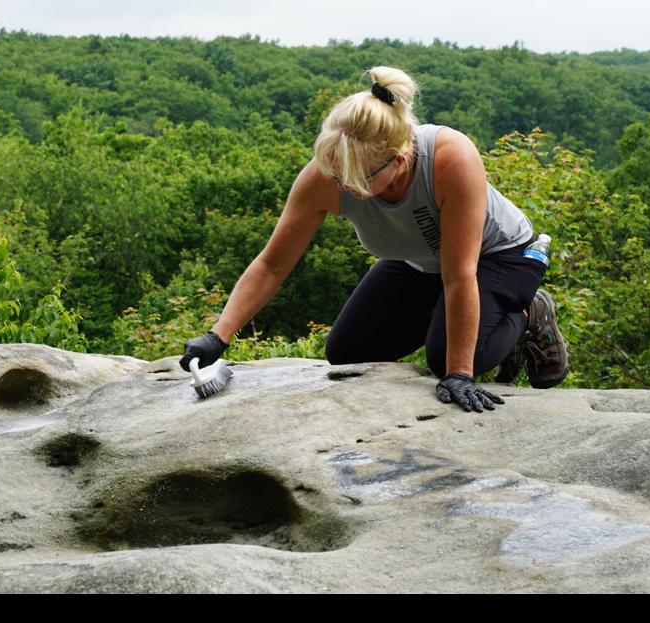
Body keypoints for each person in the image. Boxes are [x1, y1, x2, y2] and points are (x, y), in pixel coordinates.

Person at [178, 65, 567, 412]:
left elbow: (460, 274)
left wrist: (460, 374)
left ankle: (531, 312)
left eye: (357, 178)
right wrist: (218, 335)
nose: (344, 186)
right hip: (422, 262)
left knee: (447, 357)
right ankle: (450, 320)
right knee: (347, 353)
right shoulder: (327, 176)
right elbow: (272, 264)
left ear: (399, 159)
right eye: (336, 174)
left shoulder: (451, 158)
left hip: (499, 256)